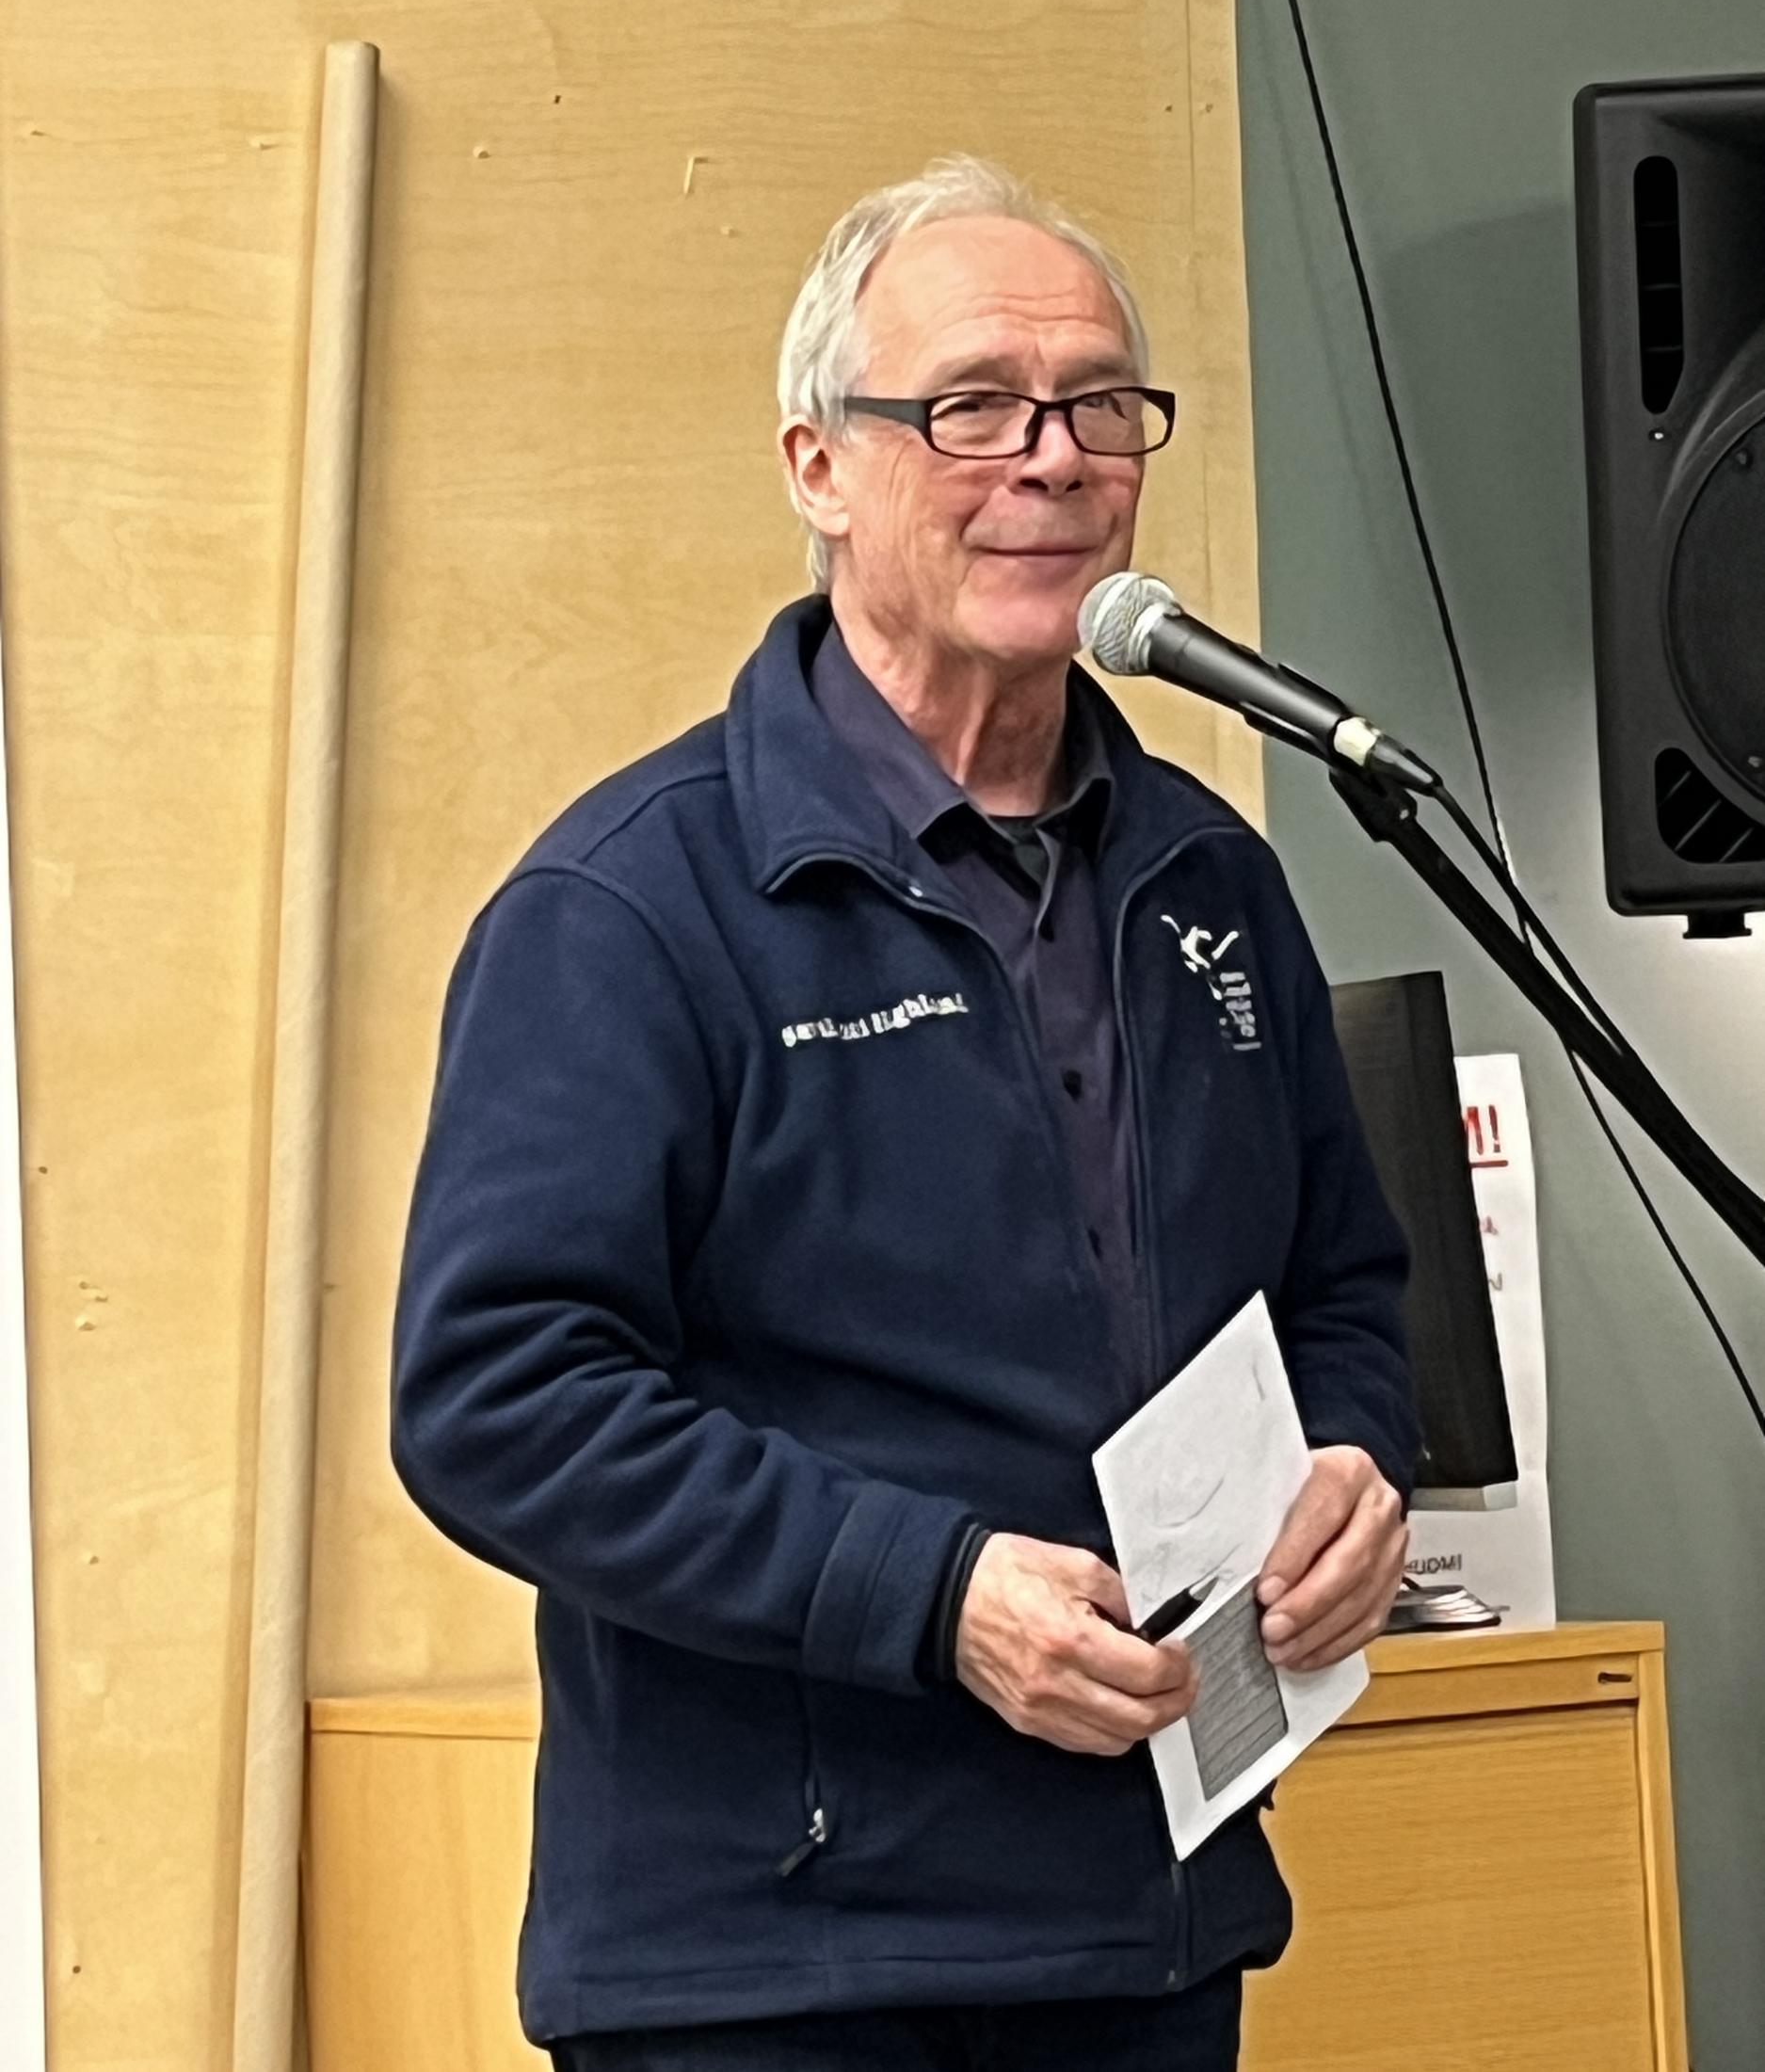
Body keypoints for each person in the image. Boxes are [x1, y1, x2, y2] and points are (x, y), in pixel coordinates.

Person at [392, 155, 1417, 2072]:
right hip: (776, 1969)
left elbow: (1344, 1293)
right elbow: (495, 1400)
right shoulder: (630, 905)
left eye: (1098, 405)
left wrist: (1358, 1461)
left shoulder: (1211, 880)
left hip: (1147, 1927)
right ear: (819, 468)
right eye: (971, 406)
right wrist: (931, 1596)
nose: (1051, 458)